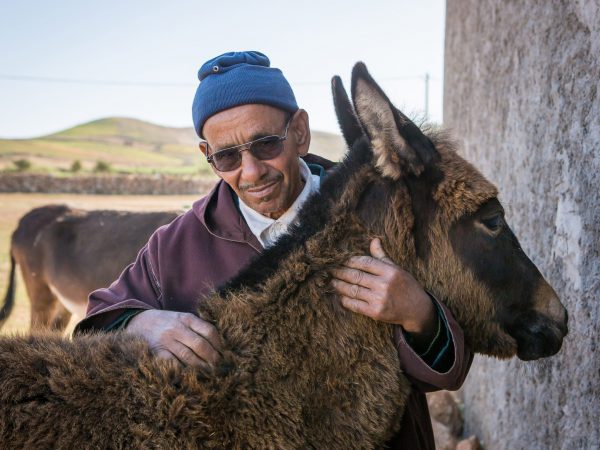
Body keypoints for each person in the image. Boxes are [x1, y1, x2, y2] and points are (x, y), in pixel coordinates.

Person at [75, 51, 472, 449]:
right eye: (227, 156)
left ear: (300, 131)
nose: (250, 172)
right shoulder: (175, 245)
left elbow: (449, 371)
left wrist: (419, 313)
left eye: (265, 144)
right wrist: (144, 324)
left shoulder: (384, 209)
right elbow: (96, 325)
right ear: (207, 157)